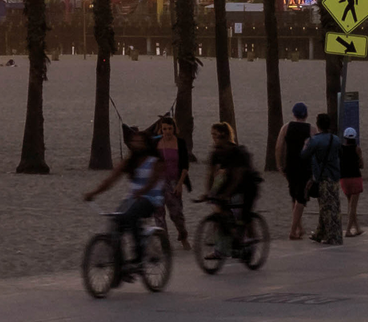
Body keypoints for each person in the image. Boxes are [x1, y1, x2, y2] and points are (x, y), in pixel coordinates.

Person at [83, 124, 165, 280]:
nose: (136, 145)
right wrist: (93, 193)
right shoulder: (130, 161)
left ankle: (138, 258)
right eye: (134, 142)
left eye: (140, 142)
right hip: (133, 199)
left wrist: (143, 191)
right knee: (115, 222)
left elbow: (154, 180)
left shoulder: (156, 160)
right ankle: (120, 266)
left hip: (151, 200)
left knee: (130, 216)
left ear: (147, 144)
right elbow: (111, 179)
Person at [202, 121, 258, 247]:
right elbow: (210, 174)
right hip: (231, 182)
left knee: (245, 214)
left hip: (248, 183)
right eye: (213, 136)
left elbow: (238, 177)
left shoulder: (237, 152)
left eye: (217, 136)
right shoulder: (216, 152)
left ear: (226, 137)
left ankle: (251, 239)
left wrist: (226, 194)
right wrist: (208, 192)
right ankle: (229, 236)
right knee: (221, 209)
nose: (215, 139)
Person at [302, 114, 345, 244]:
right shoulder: (336, 139)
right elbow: (340, 154)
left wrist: (305, 145)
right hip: (334, 176)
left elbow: (304, 155)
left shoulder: (315, 140)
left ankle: (333, 235)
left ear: (318, 125)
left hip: (322, 176)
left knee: (327, 208)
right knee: (332, 205)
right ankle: (320, 232)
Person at [151, 115, 192, 249]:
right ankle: (165, 243)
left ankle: (183, 235)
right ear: (161, 130)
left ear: (174, 129)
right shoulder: (156, 142)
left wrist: (180, 183)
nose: (167, 132)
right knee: (159, 214)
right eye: (164, 129)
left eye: (169, 129)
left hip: (174, 181)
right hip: (159, 182)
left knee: (176, 213)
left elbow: (185, 165)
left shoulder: (180, 142)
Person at [279, 102, 314, 240]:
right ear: (306, 114)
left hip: (290, 166)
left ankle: (300, 228)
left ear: (294, 114)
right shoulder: (311, 129)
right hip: (304, 167)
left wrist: (279, 165)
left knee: (294, 196)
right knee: (301, 198)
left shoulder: (286, 128)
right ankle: (293, 230)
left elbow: (278, 147)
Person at [338, 126, 366, 238]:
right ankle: (348, 230)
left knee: (350, 203)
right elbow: (361, 165)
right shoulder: (357, 149)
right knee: (353, 207)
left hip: (344, 179)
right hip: (355, 178)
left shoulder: (340, 149)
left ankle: (357, 227)